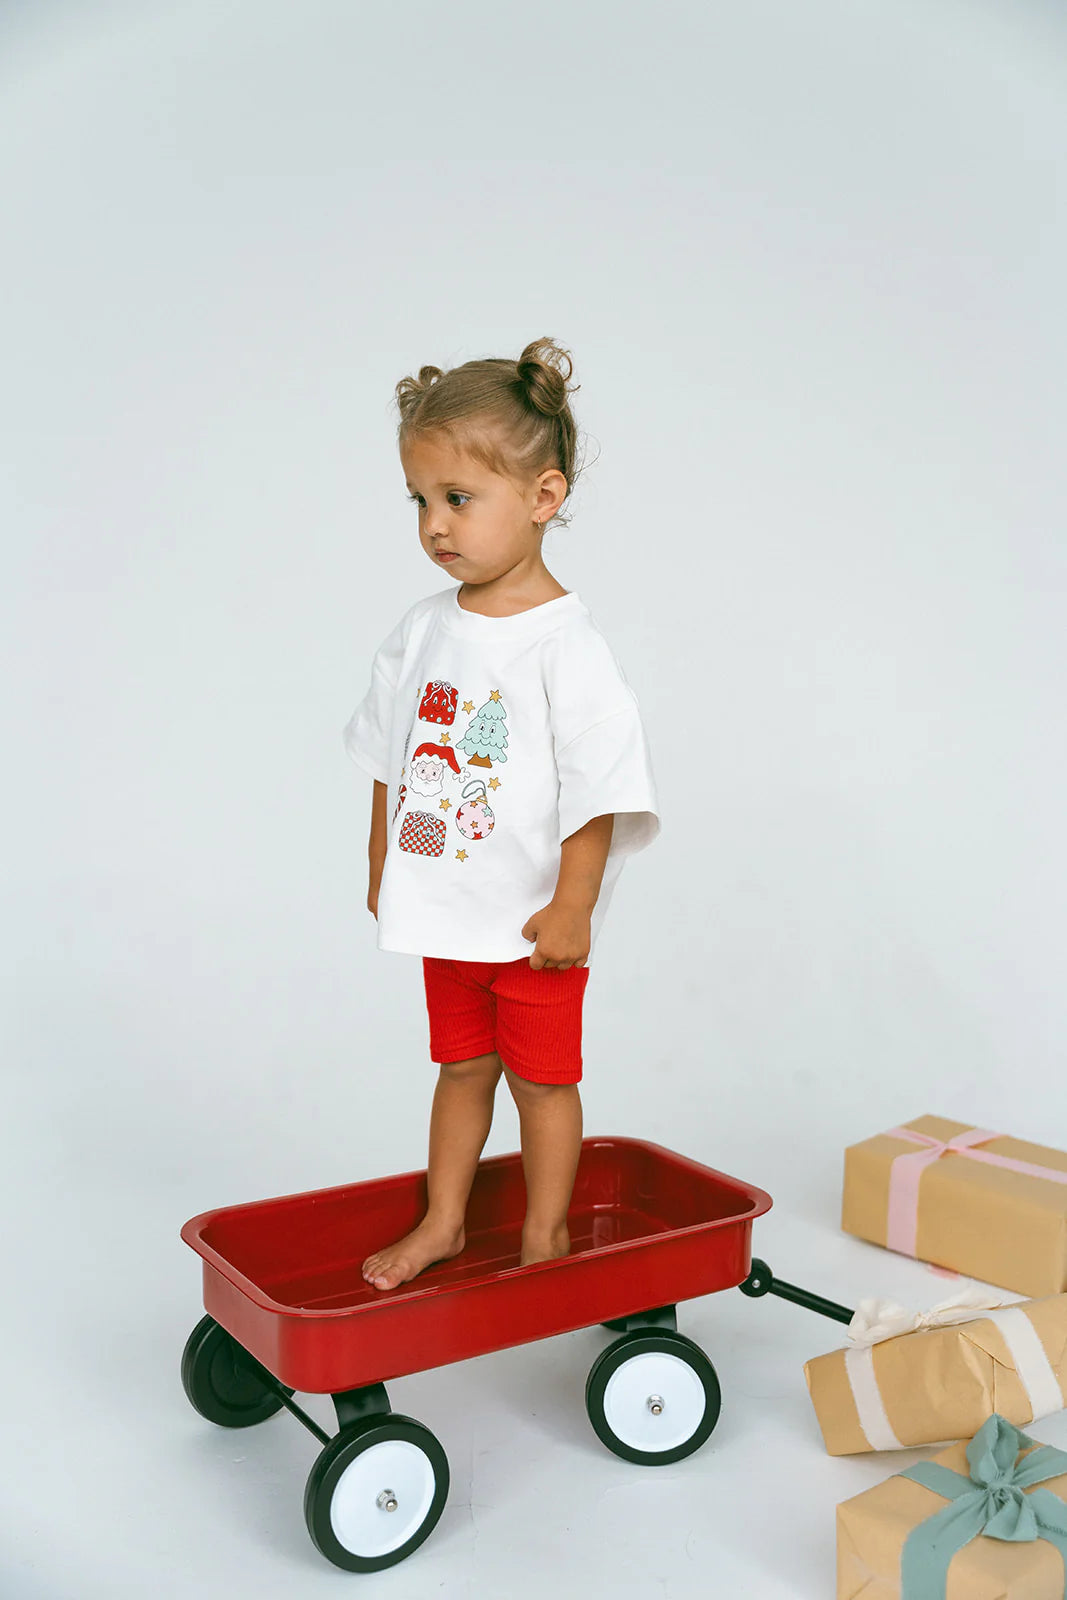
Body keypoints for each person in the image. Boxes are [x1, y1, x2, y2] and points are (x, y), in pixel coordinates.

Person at [342, 336, 661, 1291]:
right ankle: (443, 1221)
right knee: (460, 1071)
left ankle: (544, 1240)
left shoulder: (566, 648)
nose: (436, 525)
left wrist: (573, 906)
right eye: (421, 500)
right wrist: (380, 871)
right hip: (449, 914)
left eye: (458, 499)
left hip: (530, 926)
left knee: (542, 1081)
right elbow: (386, 762)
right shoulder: (424, 630)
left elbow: (598, 789)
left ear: (543, 497)